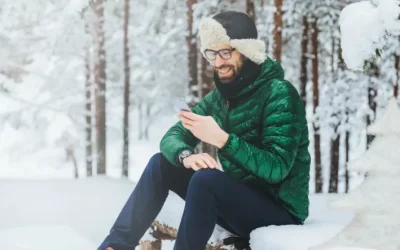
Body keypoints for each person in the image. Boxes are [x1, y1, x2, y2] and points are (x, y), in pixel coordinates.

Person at [98, 11, 310, 250]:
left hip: (280, 213)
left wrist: (222, 139)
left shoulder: (279, 94)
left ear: (248, 51)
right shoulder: (220, 98)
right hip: (236, 205)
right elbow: (172, 137)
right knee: (161, 164)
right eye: (212, 53)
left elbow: (277, 168)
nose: (218, 62)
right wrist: (186, 157)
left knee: (207, 180)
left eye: (225, 52)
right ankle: (116, 245)